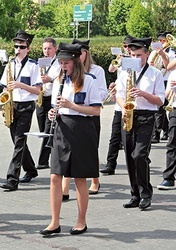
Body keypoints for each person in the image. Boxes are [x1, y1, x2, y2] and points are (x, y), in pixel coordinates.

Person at [40, 43, 101, 236]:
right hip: (61, 128)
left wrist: (72, 105)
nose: (63, 66)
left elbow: (96, 110)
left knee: (80, 179)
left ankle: (81, 221)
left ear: (75, 62)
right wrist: (52, 113)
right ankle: (54, 221)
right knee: (54, 176)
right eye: (60, 63)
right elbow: (55, 106)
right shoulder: (58, 81)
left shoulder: (89, 80)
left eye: (66, 63)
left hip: (82, 130)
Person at [116, 37, 165, 210]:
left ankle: (146, 193)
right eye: (133, 55)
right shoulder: (124, 72)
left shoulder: (155, 73)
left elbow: (160, 100)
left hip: (146, 116)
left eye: (139, 55)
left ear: (146, 54)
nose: (135, 59)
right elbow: (119, 95)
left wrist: (143, 94)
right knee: (129, 156)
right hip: (128, 114)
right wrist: (124, 109)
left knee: (139, 155)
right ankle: (134, 194)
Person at [61, 39, 107, 198]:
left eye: (81, 53)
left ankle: (95, 181)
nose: (79, 56)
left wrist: (87, 93)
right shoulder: (65, 74)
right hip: (71, 117)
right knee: (68, 153)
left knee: (90, 149)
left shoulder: (97, 70)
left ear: (87, 53)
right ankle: (64, 189)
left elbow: (102, 93)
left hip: (89, 115)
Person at [0, 30, 42, 191]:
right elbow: (4, 85)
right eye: (16, 46)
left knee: (18, 142)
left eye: (21, 46)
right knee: (18, 141)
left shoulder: (33, 66)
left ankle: (12, 179)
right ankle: (31, 169)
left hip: (26, 106)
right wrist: (4, 101)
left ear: (28, 48)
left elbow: (38, 90)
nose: (18, 49)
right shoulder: (9, 64)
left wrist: (20, 85)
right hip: (12, 105)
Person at [100, 35, 134, 175]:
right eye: (125, 46)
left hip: (132, 104)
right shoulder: (121, 60)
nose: (126, 49)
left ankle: (135, 164)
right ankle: (110, 165)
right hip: (119, 105)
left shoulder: (136, 62)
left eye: (128, 46)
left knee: (129, 139)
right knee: (114, 137)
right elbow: (111, 70)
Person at [35, 38, 61, 170]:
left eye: (49, 48)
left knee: (47, 129)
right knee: (42, 130)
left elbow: (63, 77)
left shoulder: (59, 62)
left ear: (55, 48)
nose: (46, 51)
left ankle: (42, 161)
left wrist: (50, 79)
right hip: (41, 98)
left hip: (52, 98)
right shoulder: (40, 62)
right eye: (44, 48)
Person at [149, 31, 175, 143]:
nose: (161, 43)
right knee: (159, 108)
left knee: (160, 109)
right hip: (155, 80)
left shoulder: (172, 52)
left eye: (164, 41)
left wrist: (163, 55)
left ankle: (156, 133)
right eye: (160, 41)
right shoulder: (153, 52)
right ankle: (166, 129)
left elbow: (168, 67)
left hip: (166, 81)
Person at [157, 72, 176, 190]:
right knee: (172, 142)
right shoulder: (173, 74)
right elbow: (167, 96)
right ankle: (168, 178)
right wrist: (171, 90)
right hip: (174, 109)